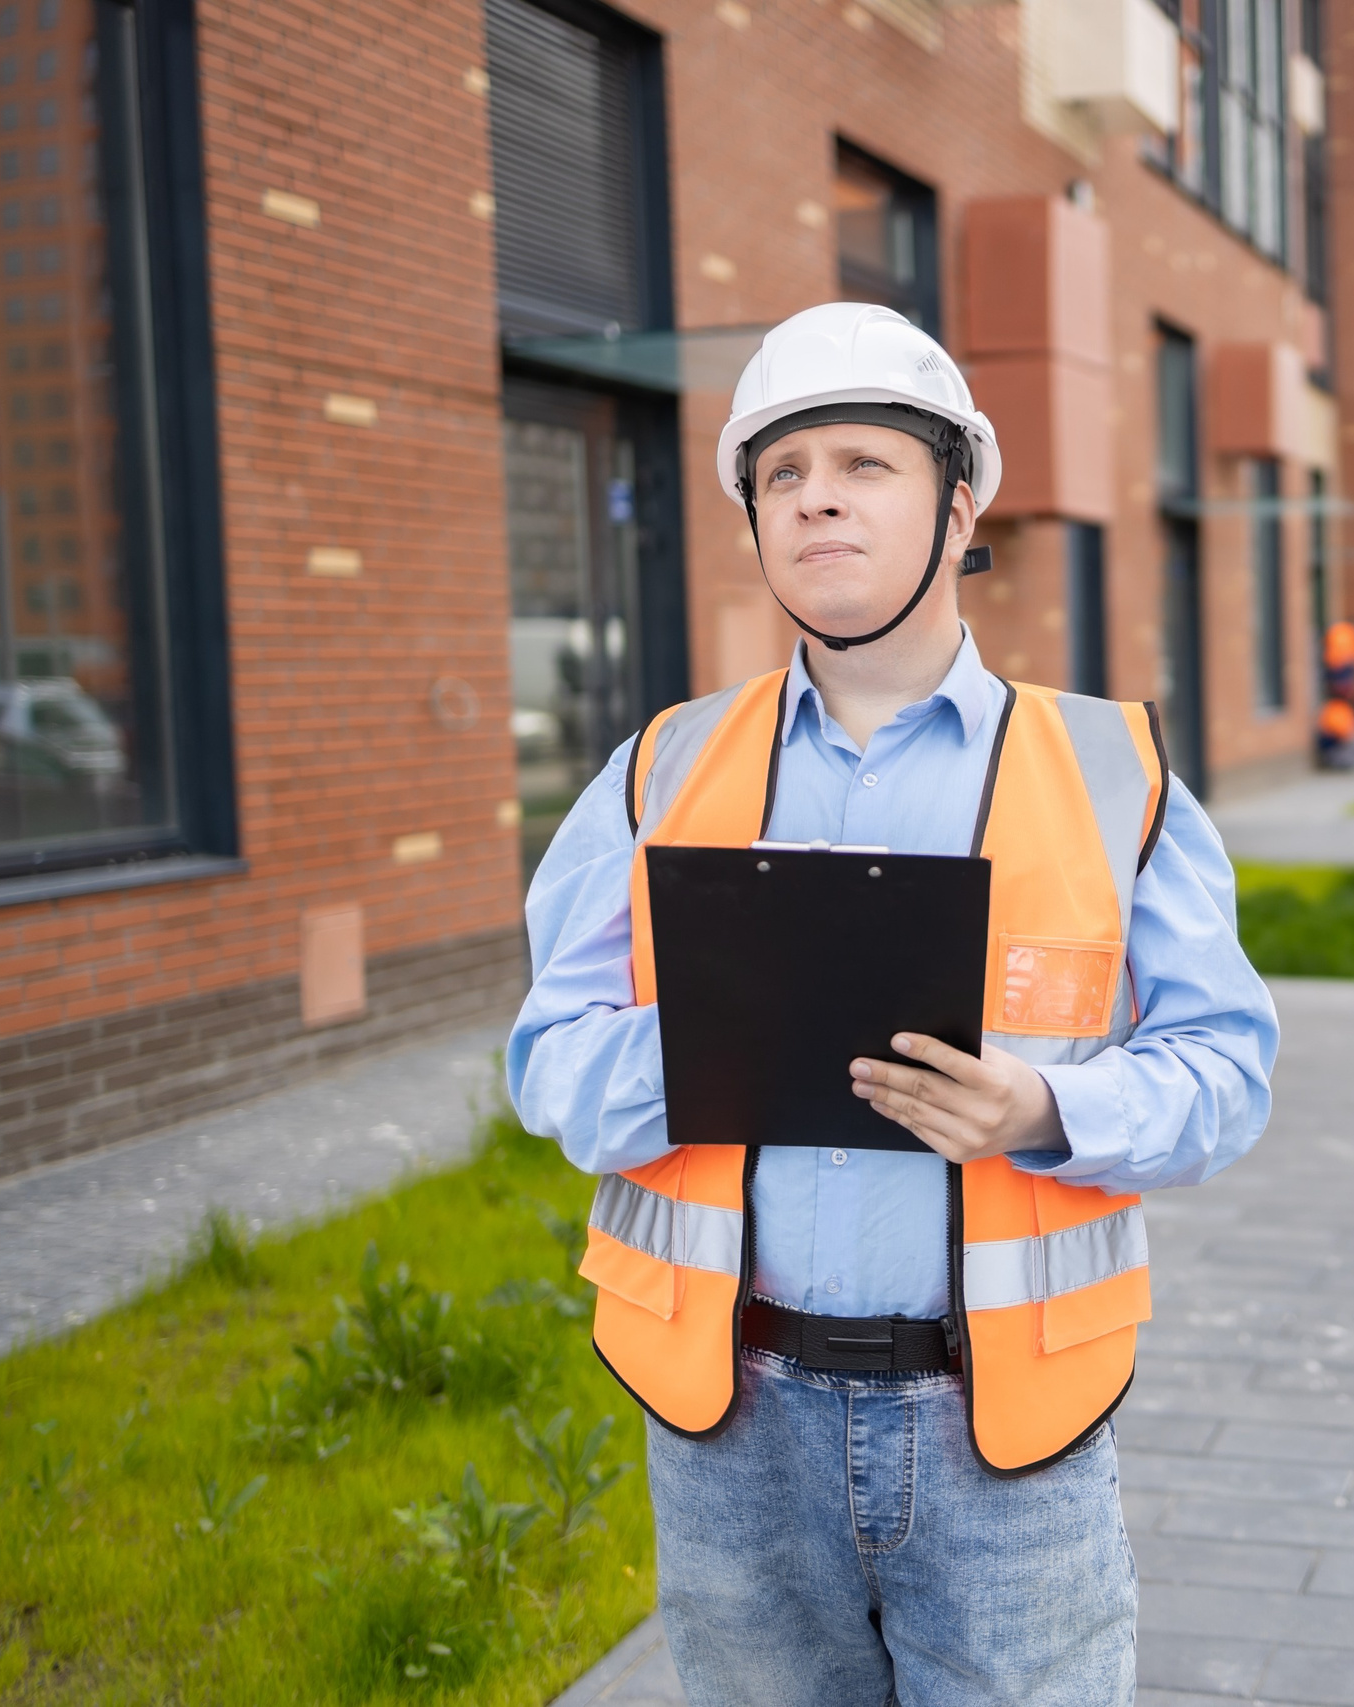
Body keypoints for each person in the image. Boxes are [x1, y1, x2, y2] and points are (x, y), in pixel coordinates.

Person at [507, 303, 1278, 1707]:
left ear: (959, 504)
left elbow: (1225, 1073)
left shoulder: (1115, 774)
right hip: (732, 1434)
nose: (817, 499)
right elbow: (550, 1066)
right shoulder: (658, 770)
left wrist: (1042, 1106)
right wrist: (718, 1050)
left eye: (863, 463)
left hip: (1005, 1442)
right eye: (782, 474)